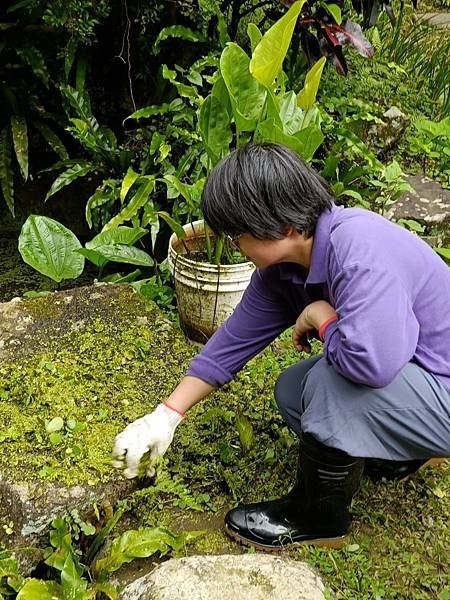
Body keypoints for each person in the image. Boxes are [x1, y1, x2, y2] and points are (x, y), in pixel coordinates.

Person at [112, 142, 450, 550]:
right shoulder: (286, 268)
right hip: (421, 376)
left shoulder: (358, 252)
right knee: (294, 391)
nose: (235, 245)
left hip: (441, 385)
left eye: (238, 234)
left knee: (329, 387)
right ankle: (396, 452)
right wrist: (165, 416)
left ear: (283, 226)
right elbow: (231, 344)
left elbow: (371, 365)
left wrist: (322, 318)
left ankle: (317, 516)